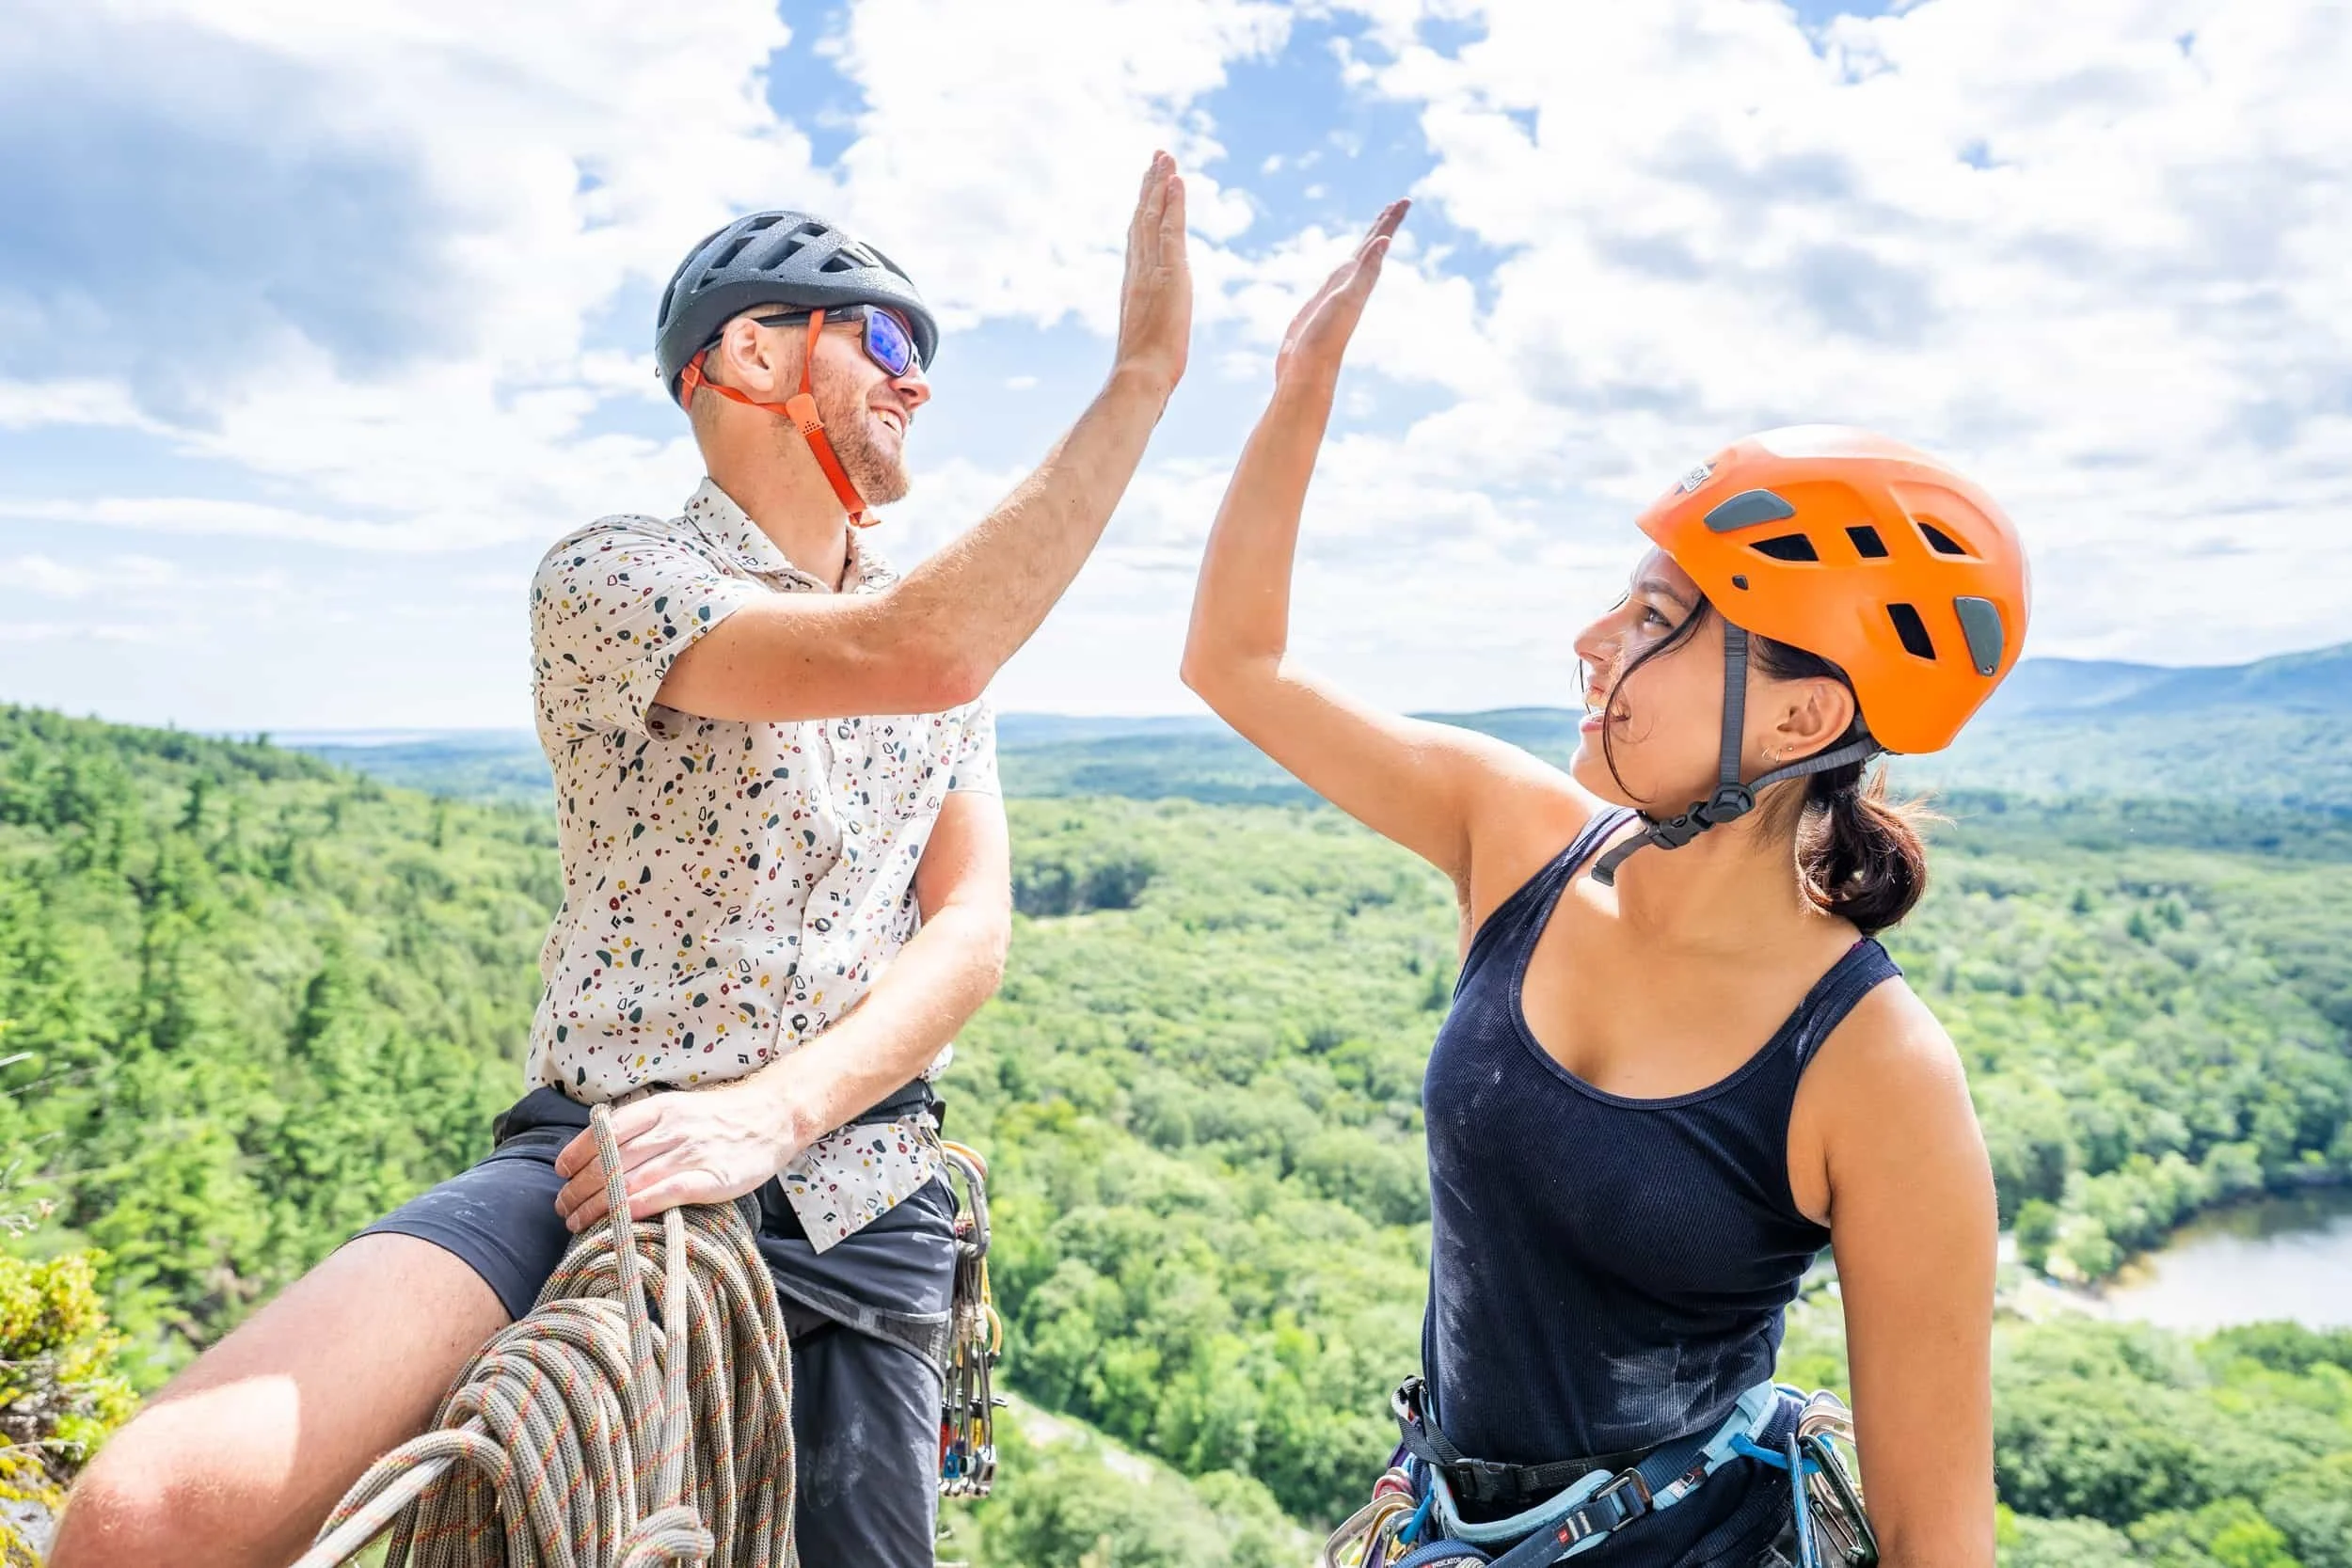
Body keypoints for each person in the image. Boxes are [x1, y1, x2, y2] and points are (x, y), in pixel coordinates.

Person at [53, 151, 1193, 1568]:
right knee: (143, 1518)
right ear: (755, 353)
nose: (919, 383)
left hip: (859, 1192)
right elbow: (918, 651)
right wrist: (1139, 378)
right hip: (596, 1157)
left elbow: (970, 931)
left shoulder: (941, 634)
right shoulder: (613, 576)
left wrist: (769, 1116)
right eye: (888, 340)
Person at [1182, 202, 2026, 1566]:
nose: (1592, 639)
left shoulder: (1878, 1069)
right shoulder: (1516, 832)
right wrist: (1299, 394)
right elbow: (1236, 665)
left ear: (1801, 724)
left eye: (1655, 619)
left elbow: (1940, 1539)